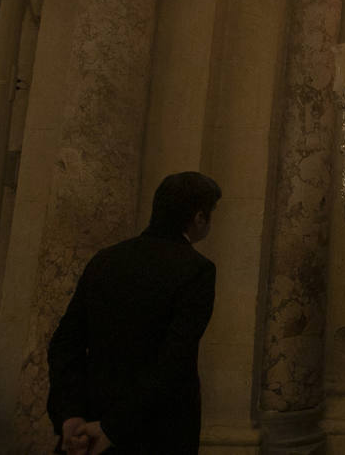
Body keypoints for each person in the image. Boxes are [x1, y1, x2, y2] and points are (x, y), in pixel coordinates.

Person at [47, 171, 222, 455]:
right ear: (199, 217)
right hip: (155, 430)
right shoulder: (196, 269)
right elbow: (173, 361)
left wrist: (69, 415)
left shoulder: (106, 259)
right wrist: (113, 428)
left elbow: (65, 344)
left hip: (90, 421)